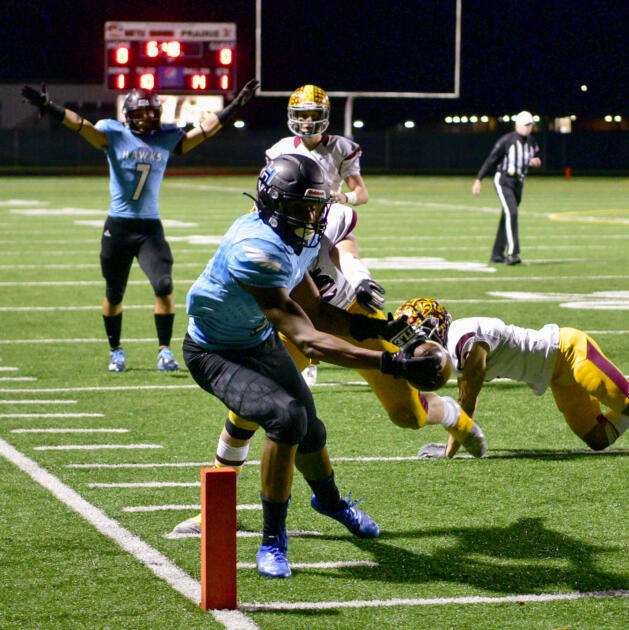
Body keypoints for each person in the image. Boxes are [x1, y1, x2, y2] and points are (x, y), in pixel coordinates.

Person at [172, 182, 487, 539]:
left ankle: (448, 413)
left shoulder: (326, 215)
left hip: (348, 313)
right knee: (250, 412)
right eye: (302, 205)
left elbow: (344, 251)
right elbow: (309, 331)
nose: (310, 213)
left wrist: (362, 281)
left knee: (408, 416)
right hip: (294, 322)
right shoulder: (261, 236)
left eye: (315, 205)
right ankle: (213, 511)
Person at [20, 80, 258, 372]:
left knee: (164, 286)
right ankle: (116, 350)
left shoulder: (166, 137)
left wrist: (234, 107)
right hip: (118, 228)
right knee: (114, 293)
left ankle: (164, 351)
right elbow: (81, 125)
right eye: (141, 113)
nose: (147, 118)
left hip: (149, 229)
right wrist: (50, 107)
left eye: (151, 113)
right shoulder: (113, 134)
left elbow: (205, 130)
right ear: (129, 115)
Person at [396, 298, 629, 460]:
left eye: (414, 335)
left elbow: (467, 401)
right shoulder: (451, 344)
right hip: (555, 376)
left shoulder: (465, 341)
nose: (411, 346)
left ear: (434, 327)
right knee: (598, 438)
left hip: (569, 352)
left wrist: (450, 450)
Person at [267, 83, 368, 386]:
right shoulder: (280, 148)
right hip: (293, 228)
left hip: (328, 225)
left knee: (329, 293)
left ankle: (321, 350)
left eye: (313, 114)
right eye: (302, 114)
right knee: (292, 293)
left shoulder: (340, 147)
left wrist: (343, 198)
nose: (308, 121)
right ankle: (302, 353)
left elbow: (361, 193)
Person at [472, 110, 541, 266]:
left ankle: (496, 254)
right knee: (512, 212)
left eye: (530, 125)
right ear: (517, 125)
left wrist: (536, 162)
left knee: (508, 217)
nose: (528, 128)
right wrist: (479, 179)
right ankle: (512, 253)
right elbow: (491, 160)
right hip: (504, 180)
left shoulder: (532, 141)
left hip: (519, 182)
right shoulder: (507, 140)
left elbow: (536, 157)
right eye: (525, 125)